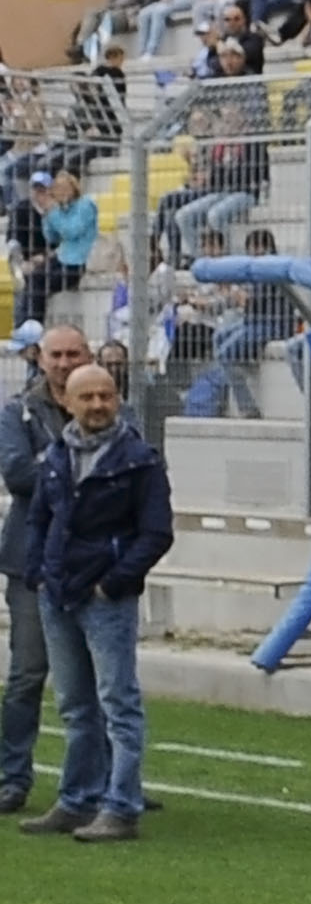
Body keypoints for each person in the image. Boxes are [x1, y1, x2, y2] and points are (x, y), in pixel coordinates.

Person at [12, 354, 165, 842]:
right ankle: (77, 800)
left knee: (118, 704)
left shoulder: (140, 458)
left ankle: (121, 806)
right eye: (88, 397)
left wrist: (114, 582)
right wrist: (39, 573)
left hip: (105, 599)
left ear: (117, 399)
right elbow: (38, 518)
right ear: (67, 401)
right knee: (75, 706)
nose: (98, 404)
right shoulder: (57, 453)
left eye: (106, 395)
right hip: (57, 595)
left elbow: (156, 532)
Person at [0, 317, 92, 816]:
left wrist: (53, 467)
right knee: (27, 673)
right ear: (39, 358)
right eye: (54, 355)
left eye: (72, 354)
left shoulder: (106, 405)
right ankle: (12, 777)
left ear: (88, 355)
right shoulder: (18, 412)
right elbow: (18, 475)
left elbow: (130, 471)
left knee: (102, 681)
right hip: (31, 560)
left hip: (92, 560)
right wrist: (80, 465)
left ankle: (110, 783)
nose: (63, 364)